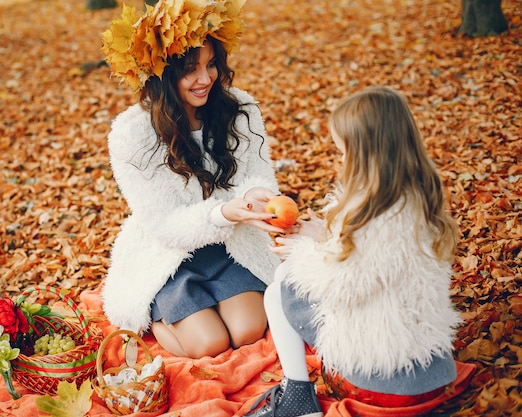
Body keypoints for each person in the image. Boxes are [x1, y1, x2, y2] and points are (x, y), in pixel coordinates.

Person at [245, 86, 460, 417]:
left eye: (344, 153)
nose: (341, 161)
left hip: (379, 379)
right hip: (430, 370)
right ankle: (297, 392)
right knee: (287, 279)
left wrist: (301, 252)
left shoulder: (373, 214)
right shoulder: (415, 198)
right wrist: (325, 235)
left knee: (282, 286)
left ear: (367, 154)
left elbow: (342, 284)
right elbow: (374, 264)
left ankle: (298, 397)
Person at [99, 0, 284, 359]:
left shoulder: (239, 110)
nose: (206, 79)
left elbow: (258, 174)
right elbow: (164, 226)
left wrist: (258, 194)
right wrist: (223, 213)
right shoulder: (132, 134)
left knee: (247, 330)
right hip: (171, 256)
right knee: (208, 344)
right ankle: (157, 317)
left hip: (232, 245)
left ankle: (209, 304)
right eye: (190, 70)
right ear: (163, 75)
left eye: (211, 64)